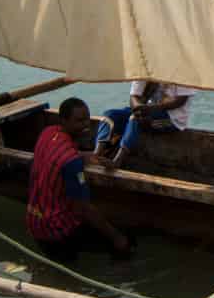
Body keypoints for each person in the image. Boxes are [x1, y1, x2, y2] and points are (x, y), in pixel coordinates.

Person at [25, 97, 133, 260]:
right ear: (64, 120)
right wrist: (117, 237)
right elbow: (83, 208)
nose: (86, 125)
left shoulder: (48, 133)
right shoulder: (71, 162)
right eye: (79, 121)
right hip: (55, 230)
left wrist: (91, 157)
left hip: (34, 220)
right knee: (125, 242)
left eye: (87, 119)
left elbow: (59, 156)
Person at [96, 80, 192, 170]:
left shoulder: (182, 71)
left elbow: (180, 101)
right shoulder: (143, 68)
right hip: (146, 111)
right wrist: (138, 108)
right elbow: (134, 97)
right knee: (110, 115)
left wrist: (150, 109)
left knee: (134, 118)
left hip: (172, 119)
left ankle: (117, 161)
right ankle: (97, 154)